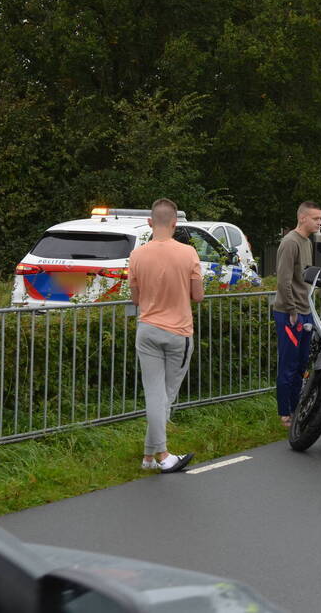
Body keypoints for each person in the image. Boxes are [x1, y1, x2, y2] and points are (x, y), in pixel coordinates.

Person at [128, 198, 202, 473]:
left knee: (154, 394)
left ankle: (148, 457)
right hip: (178, 332)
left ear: (150, 222)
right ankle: (163, 455)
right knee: (165, 397)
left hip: (147, 329)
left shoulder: (137, 255)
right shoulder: (188, 253)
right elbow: (198, 295)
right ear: (174, 223)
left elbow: (135, 298)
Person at [273, 201, 321, 428]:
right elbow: (283, 280)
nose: (319, 222)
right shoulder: (290, 242)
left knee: (302, 363)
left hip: (306, 310)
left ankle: (297, 408)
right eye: (315, 218)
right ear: (302, 218)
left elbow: (306, 277)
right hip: (289, 314)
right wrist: (292, 310)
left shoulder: (307, 242)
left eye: (320, 218)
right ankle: (285, 413)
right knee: (289, 364)